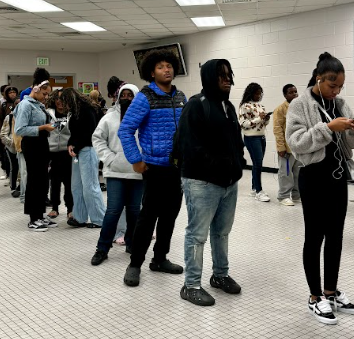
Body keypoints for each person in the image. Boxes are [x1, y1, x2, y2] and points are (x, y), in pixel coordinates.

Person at [286, 52, 354, 325]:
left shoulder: (340, 104)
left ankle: (331, 291)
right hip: (313, 179)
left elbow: (348, 144)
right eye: (331, 85)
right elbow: (296, 142)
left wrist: (351, 131)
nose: (335, 90)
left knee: (336, 236)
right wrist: (327, 128)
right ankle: (315, 297)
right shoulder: (300, 105)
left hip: (338, 179)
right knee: (315, 237)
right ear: (318, 78)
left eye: (339, 86)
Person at [177, 59, 246, 306]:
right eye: (221, 76)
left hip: (229, 183)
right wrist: (219, 166)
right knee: (197, 235)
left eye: (229, 75)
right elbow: (189, 147)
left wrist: (238, 162)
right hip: (202, 182)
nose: (227, 80)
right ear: (209, 78)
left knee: (222, 232)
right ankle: (191, 285)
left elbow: (236, 140)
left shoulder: (228, 106)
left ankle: (220, 275)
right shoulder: (196, 106)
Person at [119, 49, 186, 287]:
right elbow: (125, 130)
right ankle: (135, 263)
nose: (166, 70)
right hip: (154, 168)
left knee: (170, 216)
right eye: (160, 67)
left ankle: (159, 259)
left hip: (177, 169)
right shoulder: (145, 97)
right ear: (151, 72)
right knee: (148, 218)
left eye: (169, 66)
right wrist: (136, 159)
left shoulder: (180, 97)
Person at [91, 84, 143, 265]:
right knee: (113, 211)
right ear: (118, 96)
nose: (126, 98)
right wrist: (109, 159)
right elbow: (97, 139)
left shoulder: (144, 116)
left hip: (137, 172)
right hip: (114, 172)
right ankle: (102, 248)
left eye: (130, 95)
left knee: (135, 212)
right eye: (124, 94)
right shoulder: (109, 117)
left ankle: (132, 243)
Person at [14, 74, 57, 231]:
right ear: (36, 89)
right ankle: (33, 218)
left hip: (41, 143)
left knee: (43, 180)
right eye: (44, 94)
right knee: (35, 180)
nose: (46, 97)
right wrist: (42, 128)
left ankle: (40, 214)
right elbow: (20, 129)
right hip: (31, 144)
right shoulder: (26, 105)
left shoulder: (39, 105)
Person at [61, 88, 105, 228]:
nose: (63, 105)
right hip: (79, 151)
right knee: (77, 186)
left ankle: (99, 219)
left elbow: (90, 133)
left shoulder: (88, 110)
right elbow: (74, 133)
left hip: (88, 150)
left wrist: (76, 145)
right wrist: (70, 144)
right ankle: (79, 217)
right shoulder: (75, 111)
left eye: (64, 102)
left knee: (90, 186)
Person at [239, 83, 270, 202]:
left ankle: (254, 188)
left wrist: (266, 119)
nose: (259, 95)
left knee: (258, 163)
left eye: (260, 93)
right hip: (251, 138)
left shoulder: (260, 106)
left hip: (261, 137)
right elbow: (243, 124)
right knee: (258, 164)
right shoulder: (245, 106)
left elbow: (263, 123)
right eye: (256, 93)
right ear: (251, 93)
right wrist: (259, 118)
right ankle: (259, 191)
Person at [46, 89, 73, 219]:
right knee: (55, 182)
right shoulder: (48, 113)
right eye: (57, 99)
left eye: (62, 99)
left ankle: (70, 209)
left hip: (67, 152)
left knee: (69, 182)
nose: (59, 102)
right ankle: (55, 207)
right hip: (53, 152)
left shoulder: (72, 114)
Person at [273, 84, 301, 206]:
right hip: (287, 149)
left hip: (299, 147)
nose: (295, 94)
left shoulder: (300, 108)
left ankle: (296, 195)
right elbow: (277, 129)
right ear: (285, 95)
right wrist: (281, 147)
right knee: (286, 173)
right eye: (291, 92)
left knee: (298, 173)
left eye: (296, 92)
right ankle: (283, 196)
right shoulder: (280, 110)